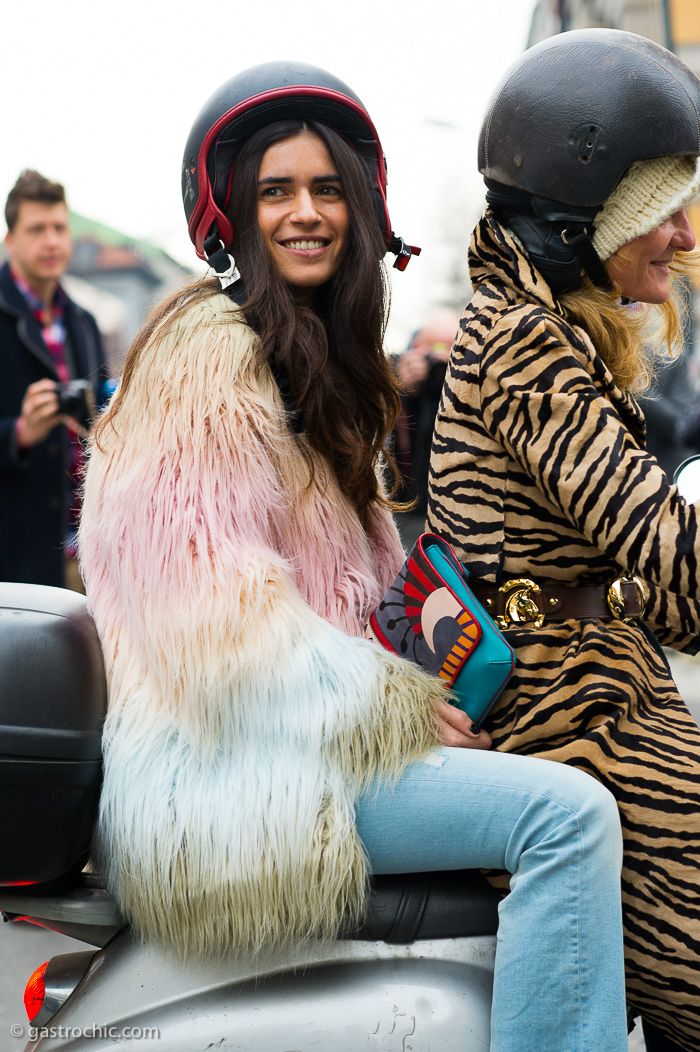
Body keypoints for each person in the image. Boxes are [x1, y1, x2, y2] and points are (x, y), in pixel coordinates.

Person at [78, 62, 628, 1051]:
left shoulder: (312, 364)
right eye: (276, 191)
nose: (305, 212)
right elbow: (222, 622)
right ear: (231, 215)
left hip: (292, 741)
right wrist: (402, 708)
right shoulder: (207, 361)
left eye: (327, 188)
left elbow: (362, 600)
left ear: (363, 208)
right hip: (234, 768)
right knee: (567, 816)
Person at [427, 28, 700, 1052]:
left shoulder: (563, 331)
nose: (682, 234)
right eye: (659, 210)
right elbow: (655, 539)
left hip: (608, 689)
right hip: (566, 716)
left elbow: (665, 592)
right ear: (581, 220)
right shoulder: (523, 345)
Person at [0, 169, 105, 589]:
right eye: (37, 229)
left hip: (86, 552)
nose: (51, 241)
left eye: (59, 228)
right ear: (10, 241)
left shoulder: (84, 323)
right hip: (15, 561)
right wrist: (19, 433)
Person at [394, 307, 460, 513]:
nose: (441, 357)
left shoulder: (474, 381)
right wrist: (400, 388)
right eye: (435, 346)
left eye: (452, 347)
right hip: (404, 506)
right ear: (417, 344)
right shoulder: (395, 374)